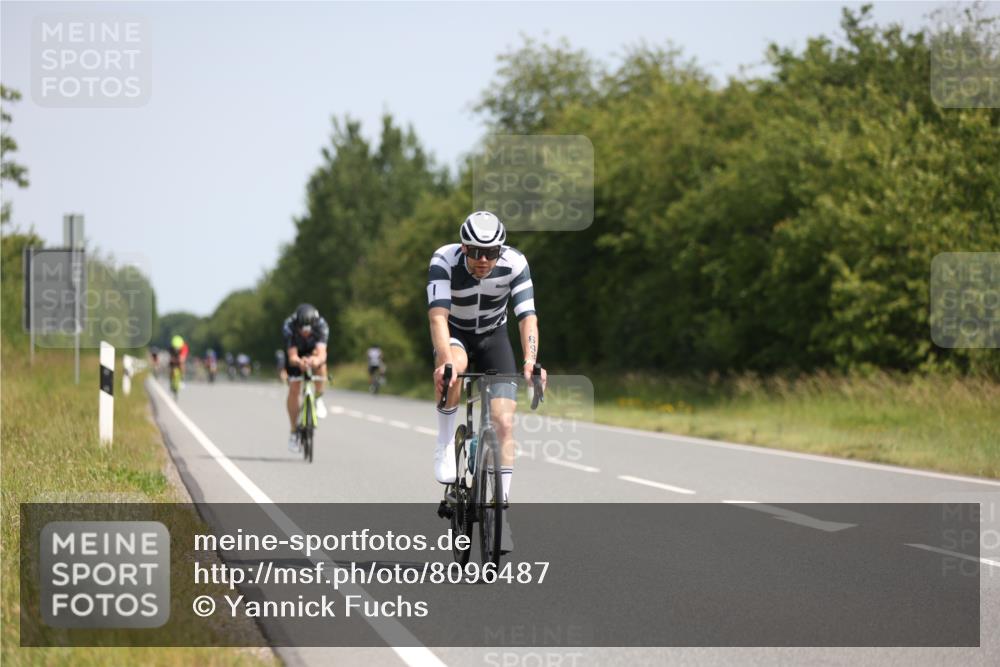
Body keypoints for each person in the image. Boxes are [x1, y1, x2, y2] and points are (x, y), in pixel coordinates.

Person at [428, 211, 547, 552]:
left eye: (490, 252)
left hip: (494, 337)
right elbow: (437, 316)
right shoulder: (443, 261)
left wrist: (530, 360)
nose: (482, 260)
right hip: (456, 336)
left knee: (504, 422)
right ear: (463, 247)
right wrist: (445, 361)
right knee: (453, 370)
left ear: (500, 250)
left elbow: (527, 317)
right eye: (475, 251)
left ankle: (501, 513)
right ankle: (445, 442)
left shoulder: (515, 263)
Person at [282, 303, 330, 452]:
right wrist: (298, 362)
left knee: (321, 366)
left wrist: (315, 360)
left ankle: (318, 398)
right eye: (302, 330)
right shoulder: (289, 325)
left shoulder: (321, 325)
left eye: (308, 330)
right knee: (294, 388)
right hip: (296, 353)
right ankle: (293, 431)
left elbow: (322, 352)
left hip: (313, 351)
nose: (305, 333)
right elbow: (292, 355)